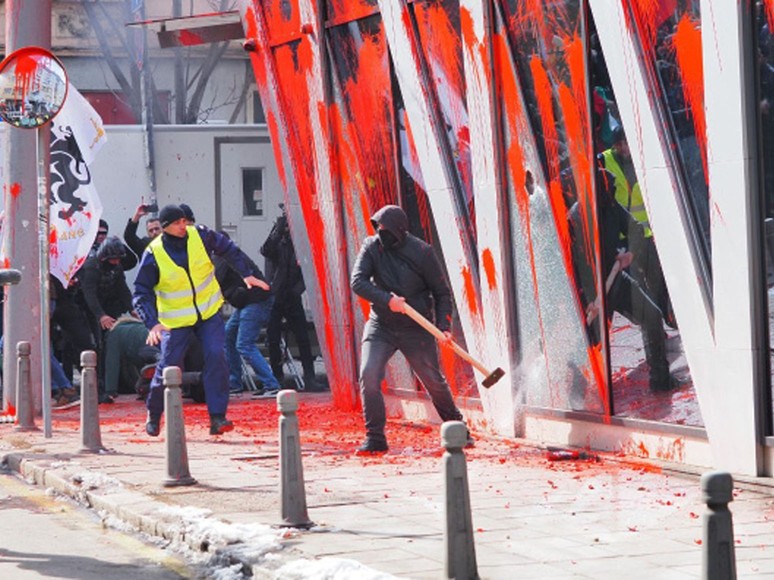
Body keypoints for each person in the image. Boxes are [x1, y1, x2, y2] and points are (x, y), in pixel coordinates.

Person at [133, 204, 266, 437]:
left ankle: (218, 417)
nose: (183, 226)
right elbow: (141, 292)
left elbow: (229, 249)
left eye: (185, 221)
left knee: (216, 355)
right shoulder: (154, 254)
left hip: (208, 312)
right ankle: (154, 414)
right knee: (169, 366)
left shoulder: (201, 235)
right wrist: (152, 323)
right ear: (165, 228)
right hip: (174, 321)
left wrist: (246, 273)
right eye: (177, 223)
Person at [350, 204, 471, 454]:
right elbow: (358, 282)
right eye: (378, 227)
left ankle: (458, 429)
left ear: (399, 231)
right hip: (381, 324)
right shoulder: (371, 247)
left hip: (416, 327)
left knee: (432, 380)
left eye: (385, 229)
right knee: (369, 375)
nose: (380, 232)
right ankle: (375, 438)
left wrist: (443, 326)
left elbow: (442, 293)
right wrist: (387, 301)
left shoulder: (422, 253)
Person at [572, 168, 678, 393]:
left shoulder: (610, 207)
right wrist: (584, 298)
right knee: (587, 343)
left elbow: (637, 231)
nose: (613, 192)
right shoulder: (577, 219)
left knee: (651, 315)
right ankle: (575, 394)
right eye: (609, 188)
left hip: (615, 280)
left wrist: (630, 253)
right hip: (591, 291)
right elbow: (572, 265)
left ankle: (660, 379)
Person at [599, 126, 674, 328]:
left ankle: (667, 318)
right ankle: (654, 324)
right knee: (636, 284)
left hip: (645, 231)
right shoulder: (604, 161)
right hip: (622, 237)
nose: (624, 148)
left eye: (626, 143)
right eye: (619, 144)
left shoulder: (643, 156)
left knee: (656, 278)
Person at [260, 207, 321, 390]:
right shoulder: (276, 239)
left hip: (292, 295)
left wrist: (297, 290)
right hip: (275, 295)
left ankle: (309, 378)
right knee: (273, 337)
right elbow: (266, 250)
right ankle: (277, 377)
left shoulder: (300, 242)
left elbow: (308, 267)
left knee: (303, 337)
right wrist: (278, 230)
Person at [213, 239, 279, 397]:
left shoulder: (222, 258)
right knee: (228, 336)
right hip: (249, 302)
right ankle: (235, 383)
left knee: (244, 344)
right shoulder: (229, 255)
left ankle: (271, 385)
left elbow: (215, 283)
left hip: (255, 301)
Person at [81, 236, 138, 402]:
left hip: (108, 305)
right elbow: (89, 293)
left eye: (117, 259)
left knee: (108, 344)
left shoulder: (117, 267)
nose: (115, 262)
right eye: (112, 259)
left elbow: (123, 289)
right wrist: (100, 315)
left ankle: (109, 385)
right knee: (93, 345)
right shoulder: (92, 267)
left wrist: (132, 308)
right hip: (89, 309)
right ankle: (97, 386)